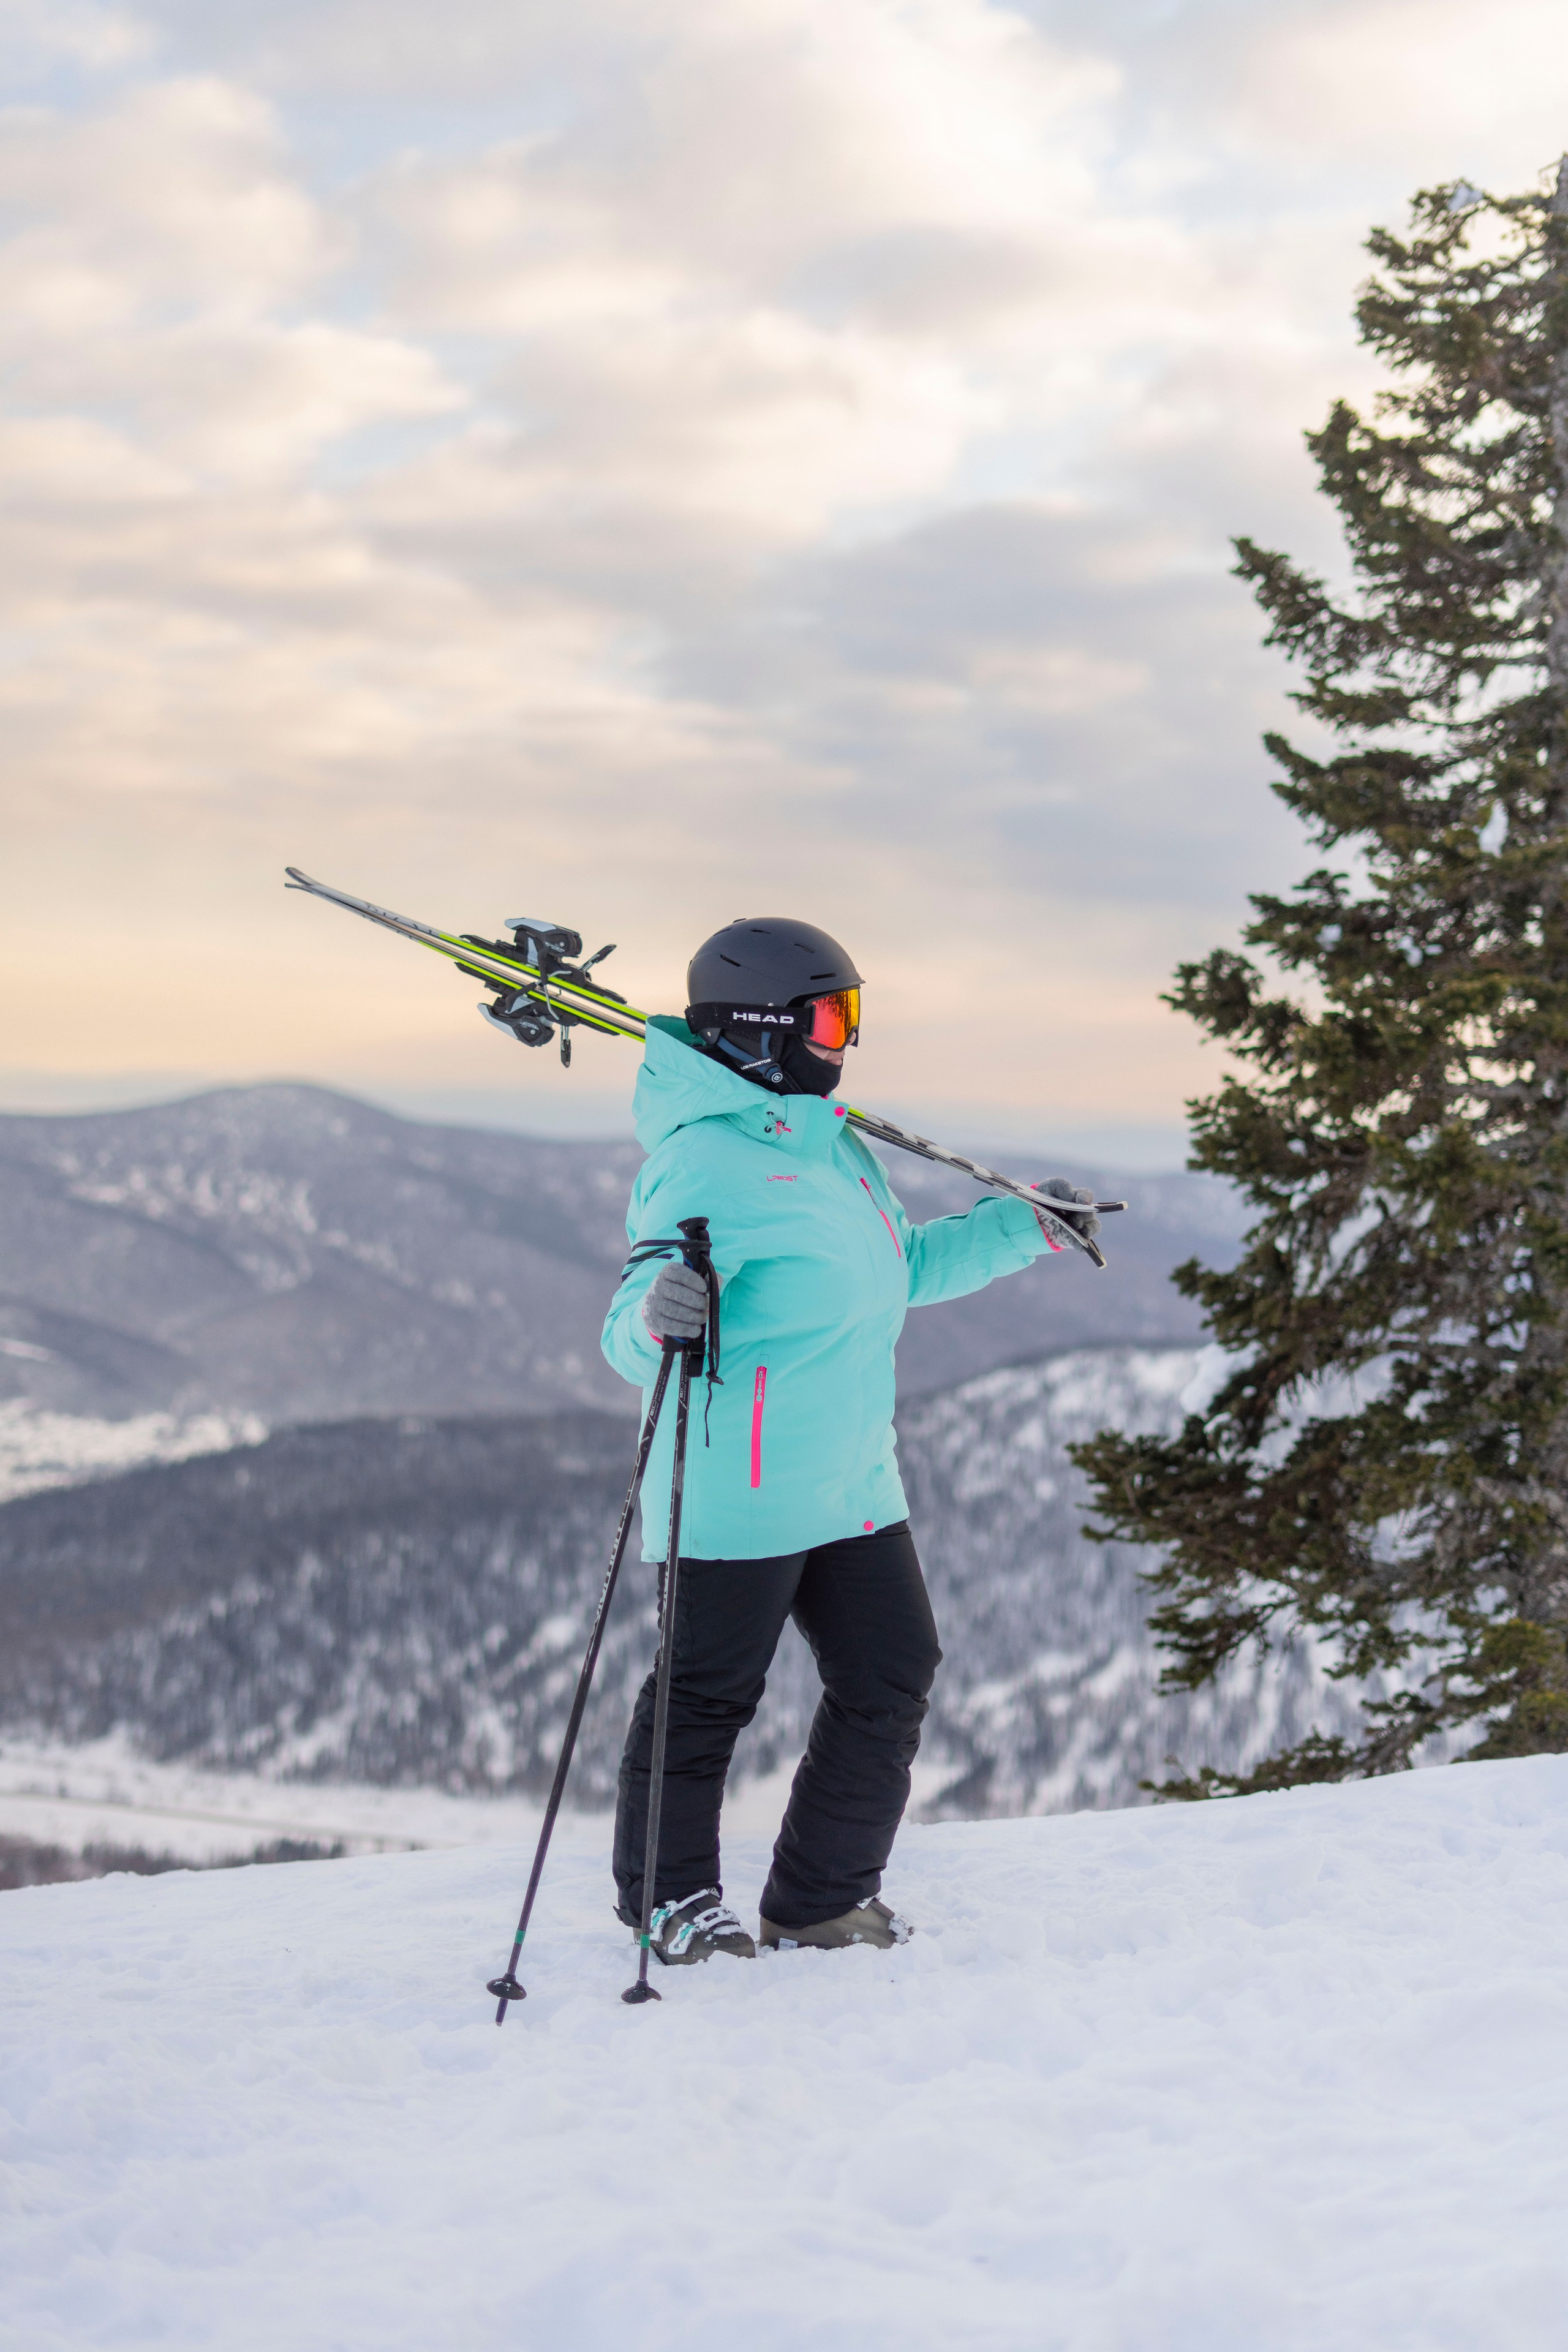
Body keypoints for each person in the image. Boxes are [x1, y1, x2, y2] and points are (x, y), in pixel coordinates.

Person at [600, 916, 1098, 1965]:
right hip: (740, 1488)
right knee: (705, 1698)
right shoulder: (701, 1163)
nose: (845, 1040)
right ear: (761, 1029)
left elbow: (898, 1269)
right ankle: (669, 1900)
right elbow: (628, 1329)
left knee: (892, 1672)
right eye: (830, 1018)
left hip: (852, 1480)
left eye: (851, 1015)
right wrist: (656, 1315)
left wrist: (1025, 1227)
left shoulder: (835, 1146)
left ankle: (820, 1900)